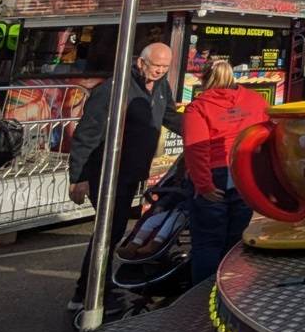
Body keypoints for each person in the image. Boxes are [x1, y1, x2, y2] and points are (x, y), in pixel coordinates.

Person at [67, 42, 181, 311]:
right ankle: (87, 292)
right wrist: (78, 176)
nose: (160, 72)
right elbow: (88, 132)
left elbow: (171, 117)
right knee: (108, 231)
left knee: (114, 230)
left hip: (132, 170)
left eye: (165, 68)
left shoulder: (161, 87)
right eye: (156, 66)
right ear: (141, 62)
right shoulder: (114, 89)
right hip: (108, 172)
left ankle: (97, 284)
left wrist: (205, 132)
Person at [180, 60, 266, 284]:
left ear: (204, 79)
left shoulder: (199, 107)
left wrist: (203, 185)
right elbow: (266, 134)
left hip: (215, 175)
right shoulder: (255, 100)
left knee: (208, 242)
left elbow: (197, 149)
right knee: (237, 242)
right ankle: (234, 291)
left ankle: (202, 297)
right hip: (246, 173)